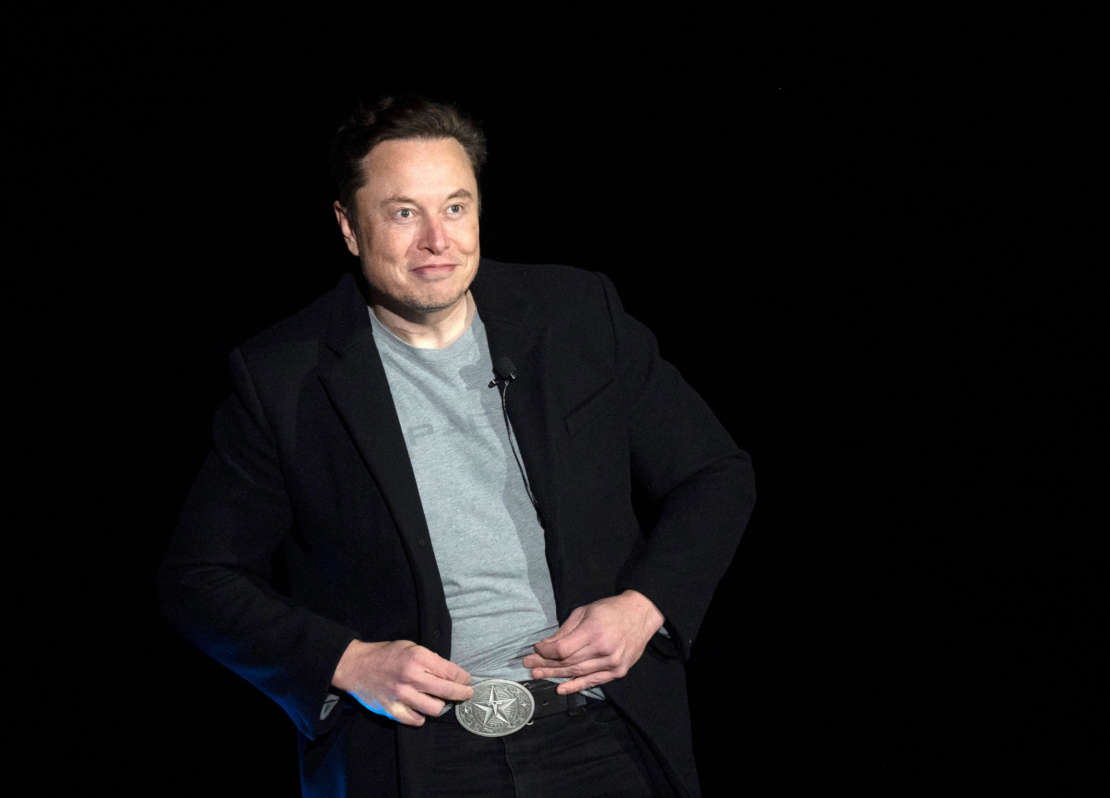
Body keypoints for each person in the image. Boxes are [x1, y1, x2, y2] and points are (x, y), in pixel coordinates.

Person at [159, 94, 755, 797]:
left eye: (455, 207)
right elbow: (199, 578)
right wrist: (346, 662)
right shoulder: (283, 377)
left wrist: (646, 604)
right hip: (418, 759)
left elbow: (716, 474)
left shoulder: (576, 317)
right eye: (404, 212)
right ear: (350, 228)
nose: (437, 241)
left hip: (601, 734)